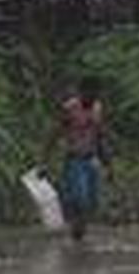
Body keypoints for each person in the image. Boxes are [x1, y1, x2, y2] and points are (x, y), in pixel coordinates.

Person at [45, 76, 112, 241]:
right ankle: (75, 231)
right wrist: (44, 160)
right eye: (90, 94)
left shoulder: (97, 108)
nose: (93, 97)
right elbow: (54, 133)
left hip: (91, 160)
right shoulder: (70, 108)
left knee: (91, 203)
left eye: (96, 94)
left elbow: (100, 136)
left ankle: (78, 237)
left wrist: (108, 164)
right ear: (82, 92)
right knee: (81, 200)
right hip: (74, 160)